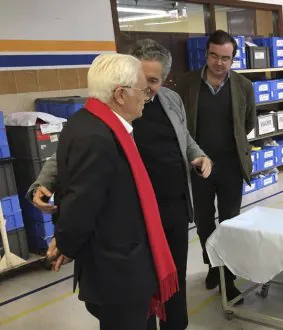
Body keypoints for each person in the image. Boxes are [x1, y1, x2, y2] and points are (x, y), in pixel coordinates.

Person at [28, 39, 212, 330]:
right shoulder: (112, 117)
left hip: (171, 206)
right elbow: (77, 160)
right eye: (143, 81)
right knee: (138, 293)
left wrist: (199, 155)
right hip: (133, 218)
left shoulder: (169, 101)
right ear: (123, 88)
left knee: (172, 280)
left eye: (154, 81)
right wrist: (47, 186)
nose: (147, 89)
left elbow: (184, 137)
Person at [50, 53, 179, 330]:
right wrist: (65, 243)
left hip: (122, 265)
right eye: (142, 90)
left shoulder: (91, 122)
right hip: (117, 271)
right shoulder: (97, 137)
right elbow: (79, 203)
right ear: (120, 94)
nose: (146, 96)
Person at [175, 30, 256, 302]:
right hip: (198, 165)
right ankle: (212, 265)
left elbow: (248, 123)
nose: (219, 63)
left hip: (231, 165)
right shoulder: (186, 84)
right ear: (206, 54)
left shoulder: (243, 86)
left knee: (230, 221)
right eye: (214, 56)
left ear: (233, 59)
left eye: (226, 58)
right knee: (204, 220)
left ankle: (228, 278)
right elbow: (179, 124)